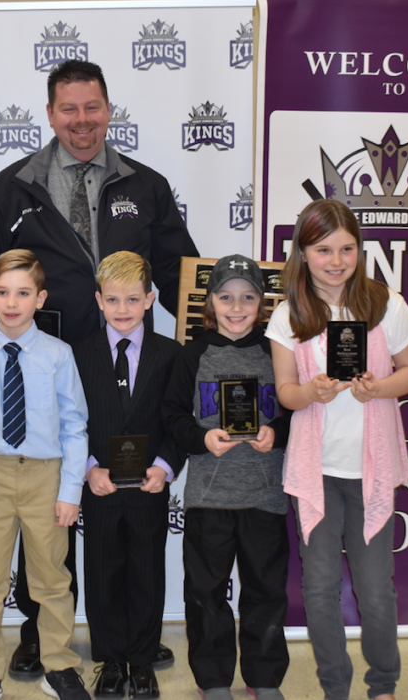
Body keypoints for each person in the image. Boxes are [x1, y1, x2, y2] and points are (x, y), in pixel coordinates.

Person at [0, 58, 194, 676]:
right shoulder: (13, 187)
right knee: (47, 516)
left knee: (128, 506)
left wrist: (217, 343)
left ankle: (132, 634)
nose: (81, 121)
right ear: (51, 113)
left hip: (129, 375)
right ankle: (39, 635)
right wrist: (14, 358)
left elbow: (182, 275)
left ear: (109, 110)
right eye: (69, 109)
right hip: (51, 376)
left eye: (92, 108)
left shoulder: (146, 186)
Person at [267, 199, 408, 700]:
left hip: (370, 472)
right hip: (317, 475)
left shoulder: (385, 303)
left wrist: (379, 387)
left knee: (377, 591)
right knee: (319, 589)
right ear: (303, 254)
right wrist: (310, 393)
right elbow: (286, 391)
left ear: (360, 249)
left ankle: (383, 685)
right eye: (323, 249)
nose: (336, 260)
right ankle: (335, 686)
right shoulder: (290, 313)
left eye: (347, 248)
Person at [0, 249, 91, 700]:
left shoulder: (57, 354)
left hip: (45, 475)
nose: (12, 302)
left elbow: (74, 425)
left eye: (23, 293)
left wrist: (71, 490)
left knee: (51, 577)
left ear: (40, 298)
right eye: (3, 292)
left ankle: (59, 664)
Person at [162, 254, 291, 700]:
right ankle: (213, 680)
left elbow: (297, 412)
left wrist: (277, 433)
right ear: (210, 302)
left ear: (262, 302)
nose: (237, 308)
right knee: (205, 593)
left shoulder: (276, 352)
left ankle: (265, 677)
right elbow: (173, 417)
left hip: (265, 495)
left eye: (248, 297)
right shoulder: (192, 353)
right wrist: (201, 439)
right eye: (226, 297)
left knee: (267, 591)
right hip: (209, 497)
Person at [72, 252, 185, 699]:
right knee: (102, 573)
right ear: (98, 300)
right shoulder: (78, 355)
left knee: (146, 571)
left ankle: (141, 662)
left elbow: (178, 420)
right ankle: (111, 662)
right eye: (113, 299)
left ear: (150, 299)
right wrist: (85, 469)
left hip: (149, 487)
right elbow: (70, 422)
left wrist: (165, 467)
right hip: (98, 485)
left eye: (133, 299)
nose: (123, 309)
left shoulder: (170, 354)